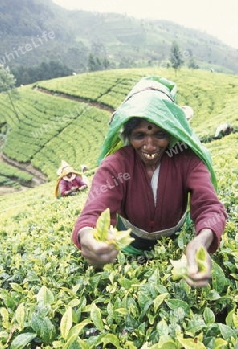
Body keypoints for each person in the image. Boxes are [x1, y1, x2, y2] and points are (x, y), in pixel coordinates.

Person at [72, 76, 227, 287]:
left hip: (175, 242)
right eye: (140, 135)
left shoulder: (187, 160)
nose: (150, 145)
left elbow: (209, 206)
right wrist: (87, 236)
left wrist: (202, 240)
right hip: (131, 245)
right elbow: (94, 212)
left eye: (160, 134)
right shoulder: (116, 165)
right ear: (128, 136)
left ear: (172, 133)